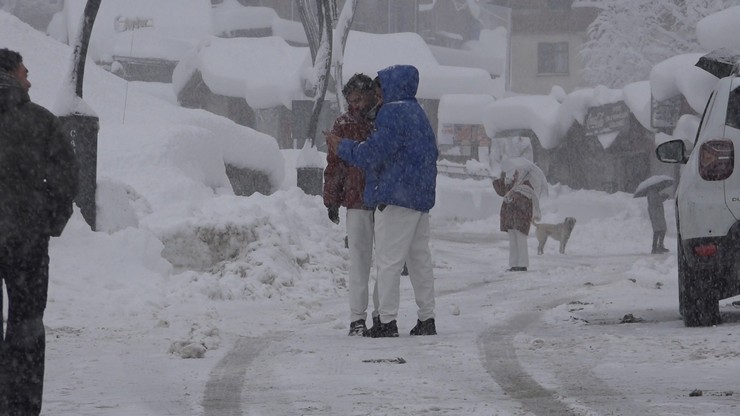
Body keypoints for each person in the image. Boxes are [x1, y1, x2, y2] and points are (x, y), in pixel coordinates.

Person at [326, 64, 438, 338]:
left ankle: (386, 321)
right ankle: (427, 318)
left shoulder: (392, 113)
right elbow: (431, 152)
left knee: (388, 261)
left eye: (378, 90)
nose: (376, 96)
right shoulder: (417, 112)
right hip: (420, 199)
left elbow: (372, 153)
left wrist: (341, 146)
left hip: (397, 198)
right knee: (419, 259)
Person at [0, 48, 79, 416]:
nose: (29, 80)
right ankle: (21, 407)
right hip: (26, 240)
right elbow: (66, 175)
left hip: (24, 231)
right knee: (26, 325)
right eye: (24, 72)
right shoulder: (39, 122)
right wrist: (49, 218)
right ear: (11, 74)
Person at [323, 73, 380, 336]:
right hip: (357, 200)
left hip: (382, 200)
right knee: (359, 261)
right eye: (351, 100)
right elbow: (334, 166)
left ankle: (382, 314)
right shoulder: (342, 124)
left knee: (385, 262)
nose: (356, 105)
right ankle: (357, 318)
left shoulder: (383, 120)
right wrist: (332, 199)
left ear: (370, 94)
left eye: (359, 99)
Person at [493, 169, 539, 272]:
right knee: (513, 242)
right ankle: (514, 264)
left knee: (521, 242)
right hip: (511, 219)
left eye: (517, 173)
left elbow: (524, 203)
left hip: (521, 220)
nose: (514, 175)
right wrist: (502, 179)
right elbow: (500, 191)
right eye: (514, 173)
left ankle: (522, 264)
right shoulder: (512, 185)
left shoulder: (527, 187)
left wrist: (513, 198)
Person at [647, 188, 670, 254]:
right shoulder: (652, 193)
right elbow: (657, 201)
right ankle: (656, 248)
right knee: (659, 231)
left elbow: (657, 200)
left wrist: (662, 196)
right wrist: (664, 196)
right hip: (656, 215)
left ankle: (658, 247)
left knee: (660, 231)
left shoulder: (653, 192)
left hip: (657, 215)